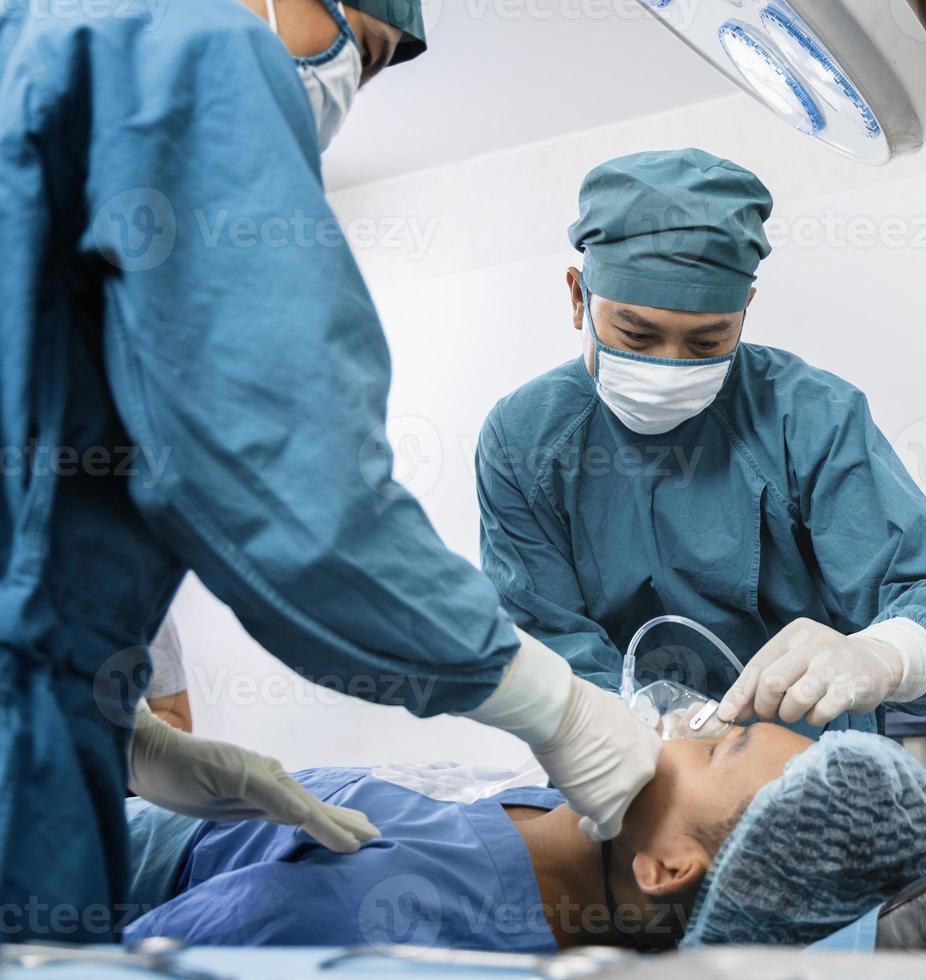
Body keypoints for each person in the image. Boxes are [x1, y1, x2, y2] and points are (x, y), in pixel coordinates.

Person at [0, 0, 659, 940]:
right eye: (371, 49)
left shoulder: (44, 52)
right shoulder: (190, 45)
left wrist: (126, 737)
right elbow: (292, 495)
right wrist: (559, 709)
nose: (355, 82)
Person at [477, 149, 926, 736]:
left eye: (707, 342)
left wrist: (884, 654)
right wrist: (650, 736)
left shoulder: (808, 416)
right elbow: (545, 639)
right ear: (579, 298)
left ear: (745, 310)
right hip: (617, 760)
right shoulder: (523, 439)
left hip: (807, 763)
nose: (668, 369)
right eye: (636, 334)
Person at [122, 727, 926, 949]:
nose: (689, 719)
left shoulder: (373, 915)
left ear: (666, 866)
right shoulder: (568, 826)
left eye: (709, 746)